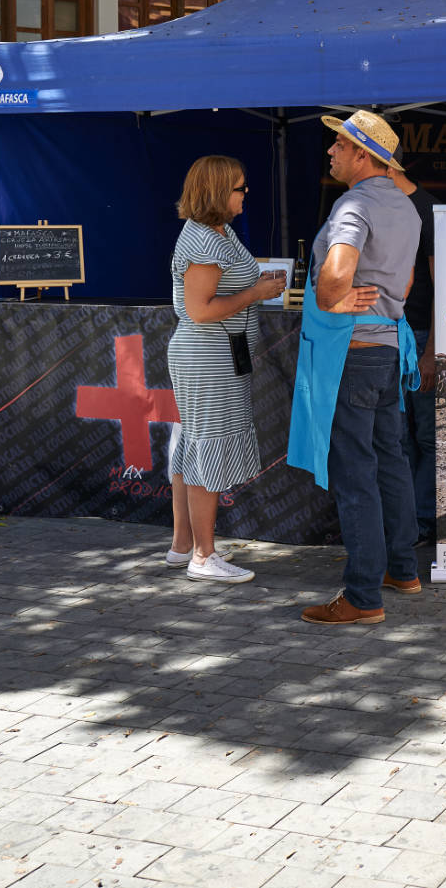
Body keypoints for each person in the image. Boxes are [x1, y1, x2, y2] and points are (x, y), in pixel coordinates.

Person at [288, 110, 422, 625]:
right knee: (390, 460)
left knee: (355, 473)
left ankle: (363, 596)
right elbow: (406, 284)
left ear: (362, 154)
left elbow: (335, 275)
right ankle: (402, 570)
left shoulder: (355, 203)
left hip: (355, 355)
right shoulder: (405, 207)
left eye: (338, 146)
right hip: (389, 349)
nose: (330, 152)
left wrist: (331, 299)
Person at [167, 155, 286, 583]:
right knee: (207, 448)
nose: (245, 193)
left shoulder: (219, 232)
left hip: (218, 354)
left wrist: (255, 287)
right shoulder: (204, 241)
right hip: (208, 356)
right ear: (218, 192)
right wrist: (256, 292)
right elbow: (199, 310)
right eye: (239, 187)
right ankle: (203, 556)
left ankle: (183, 547)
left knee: (194, 447)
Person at [391, 167, 437, 544]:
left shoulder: (427, 210)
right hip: (386, 336)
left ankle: (422, 521)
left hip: (419, 336)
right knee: (397, 437)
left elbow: (445, 287)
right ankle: (406, 522)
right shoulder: (380, 207)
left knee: (426, 434)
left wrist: (432, 352)